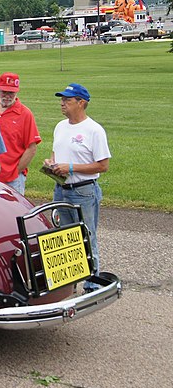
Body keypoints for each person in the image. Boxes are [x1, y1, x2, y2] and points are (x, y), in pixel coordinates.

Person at [43, 83, 111, 291]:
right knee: (64, 236)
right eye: (62, 99)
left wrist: (71, 168)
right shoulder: (60, 126)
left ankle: (92, 281)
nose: (62, 103)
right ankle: (67, 280)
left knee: (86, 235)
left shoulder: (94, 130)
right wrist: (52, 163)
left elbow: (103, 165)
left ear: (81, 103)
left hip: (84, 191)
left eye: (67, 100)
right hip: (61, 189)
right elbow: (57, 154)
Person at [0, 72, 41, 194]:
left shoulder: (25, 114)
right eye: (4, 92)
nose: (7, 96)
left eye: (11, 93)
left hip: (13, 179)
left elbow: (31, 148)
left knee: (13, 211)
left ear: (17, 92)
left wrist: (16, 172)